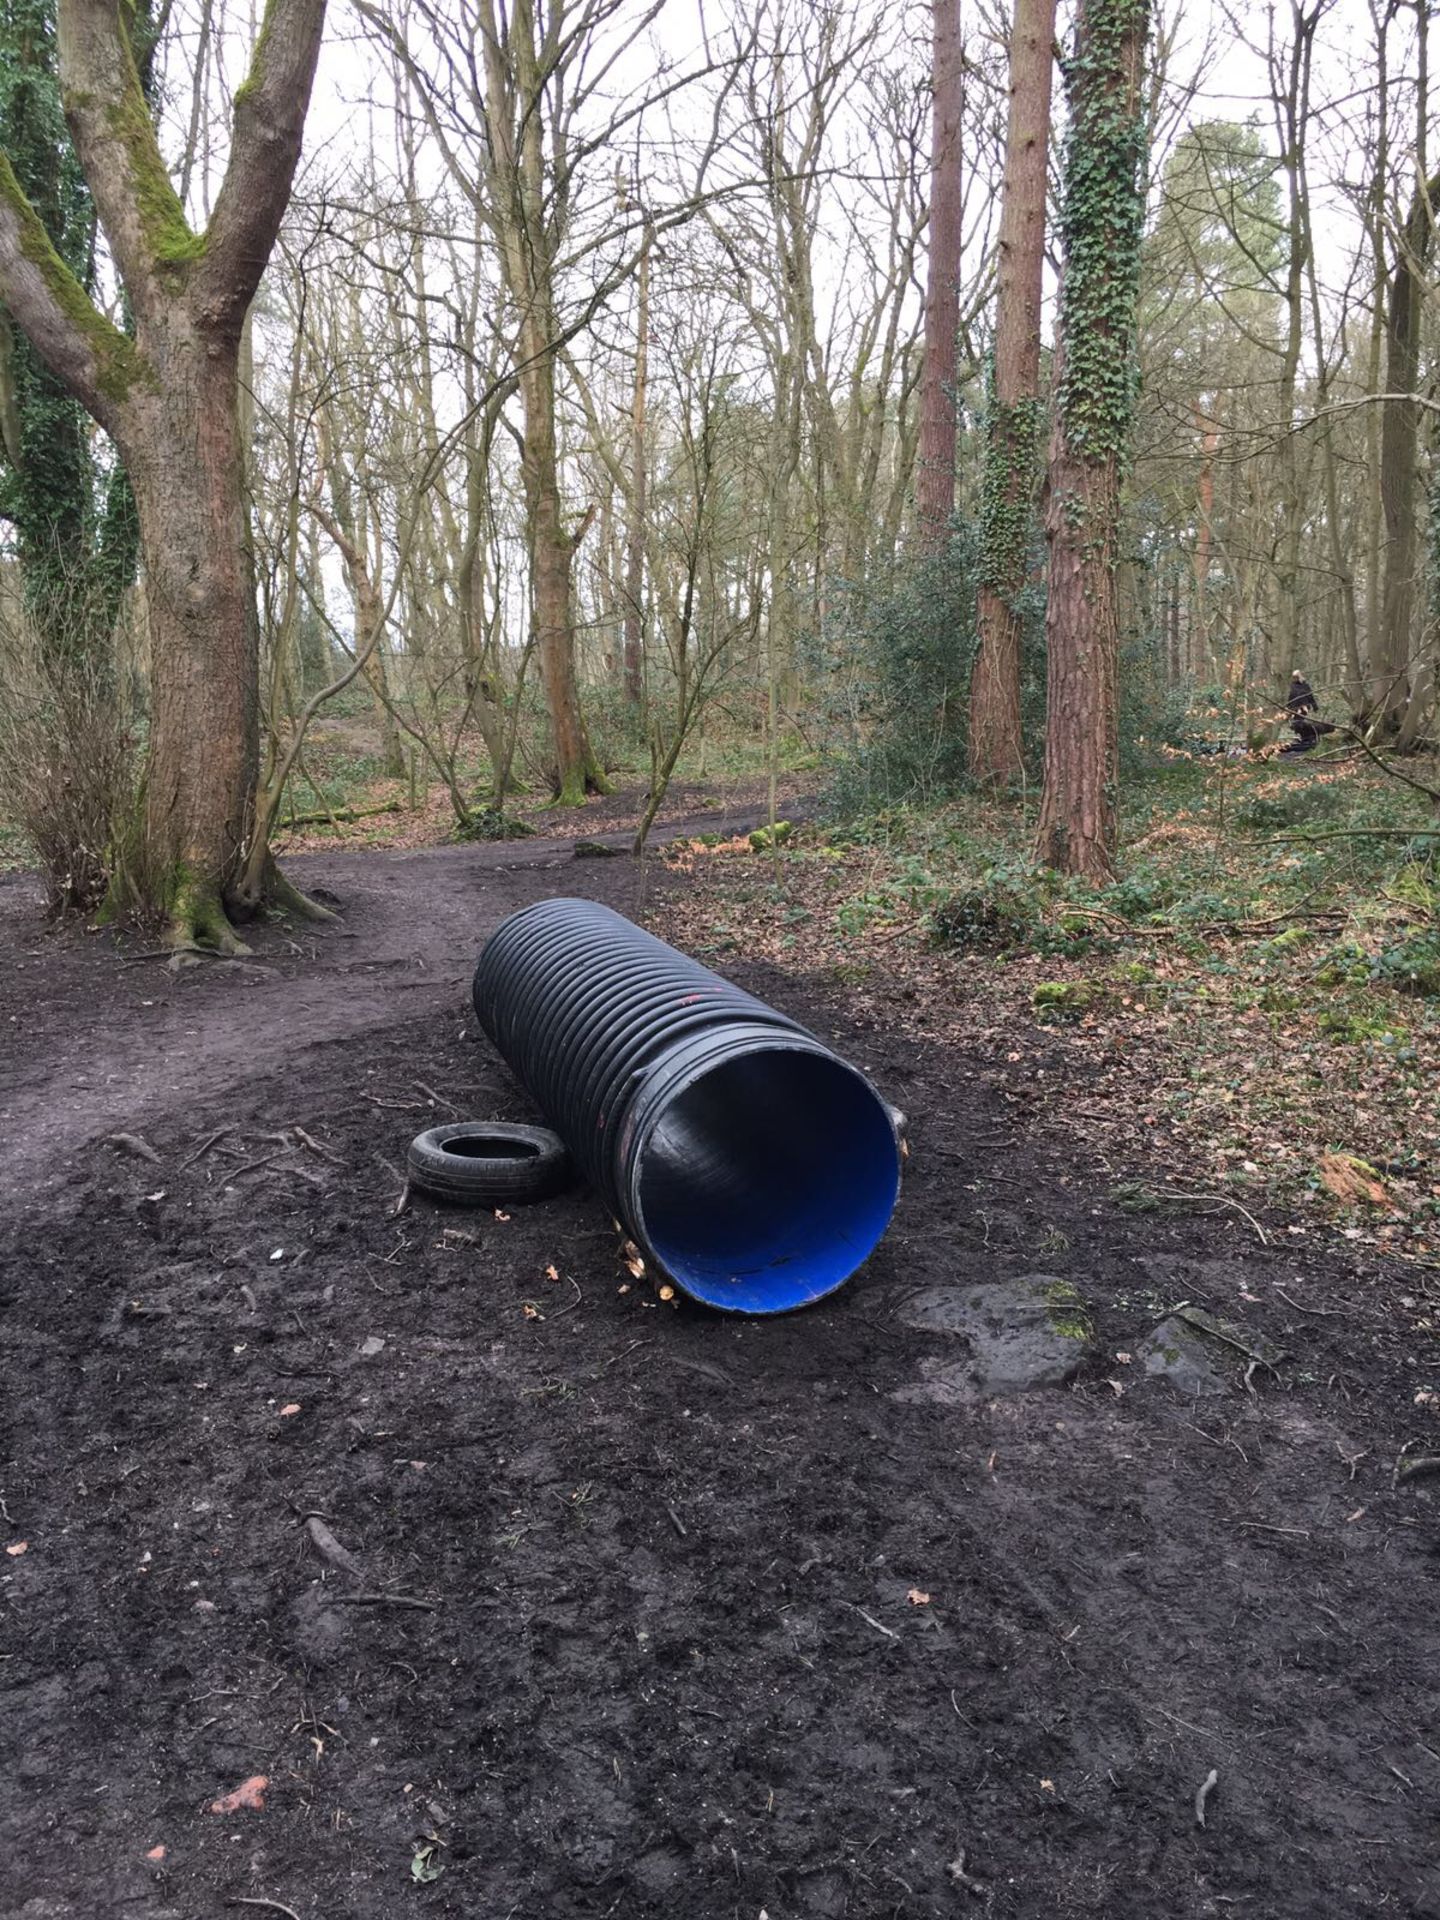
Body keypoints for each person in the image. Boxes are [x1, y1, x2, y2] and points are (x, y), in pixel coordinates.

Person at [1280, 668, 1330, 753]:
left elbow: (1310, 696)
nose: (1295, 678)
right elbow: (1287, 697)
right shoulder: (1290, 686)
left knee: (1302, 724)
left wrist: (1315, 707)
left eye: (1296, 677)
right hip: (1293, 708)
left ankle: (1306, 739)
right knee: (1296, 724)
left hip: (1304, 708)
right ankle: (1301, 738)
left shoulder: (1305, 685)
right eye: (1293, 677)